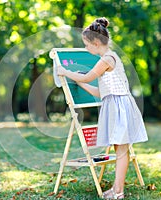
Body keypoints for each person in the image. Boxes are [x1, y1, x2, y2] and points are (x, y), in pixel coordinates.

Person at [57, 17, 148, 199]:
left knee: (121, 150)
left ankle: (119, 192)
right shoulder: (109, 57)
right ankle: (116, 188)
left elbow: (88, 76)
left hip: (118, 106)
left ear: (96, 42)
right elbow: (101, 92)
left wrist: (65, 72)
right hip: (115, 103)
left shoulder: (106, 59)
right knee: (120, 149)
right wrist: (79, 82)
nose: (86, 49)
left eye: (86, 45)